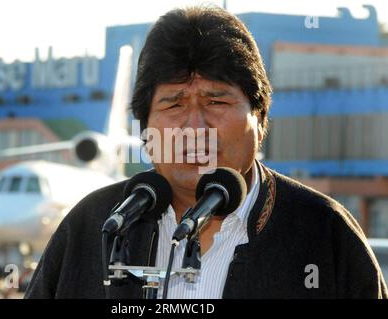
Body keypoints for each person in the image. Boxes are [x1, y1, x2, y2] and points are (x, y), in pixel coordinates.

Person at [25, 6, 387, 298]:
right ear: (146, 130)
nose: (194, 128)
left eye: (216, 100)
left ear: (260, 120)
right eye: (173, 104)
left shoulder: (324, 233)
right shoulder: (95, 226)